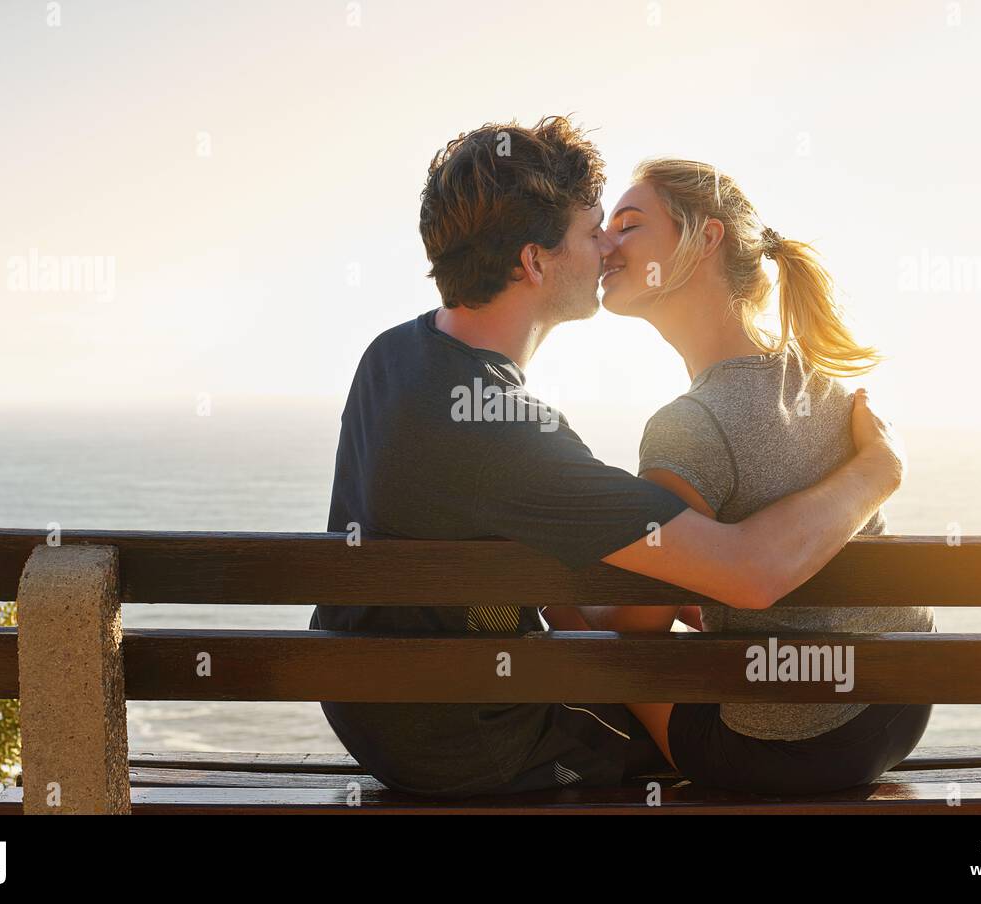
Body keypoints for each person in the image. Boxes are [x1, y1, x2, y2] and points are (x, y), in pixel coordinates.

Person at [309, 116, 905, 797]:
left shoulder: (394, 355)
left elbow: (529, 559)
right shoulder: (509, 435)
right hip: (474, 742)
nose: (606, 248)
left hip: (376, 708)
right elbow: (752, 572)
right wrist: (879, 469)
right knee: (672, 704)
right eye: (594, 229)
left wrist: (668, 581)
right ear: (535, 261)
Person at [568, 157, 934, 794]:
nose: (606, 244)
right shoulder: (828, 387)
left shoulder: (687, 425)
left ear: (706, 239)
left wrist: (561, 603)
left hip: (784, 748)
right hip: (902, 704)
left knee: (584, 643)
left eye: (628, 225)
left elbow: (635, 631)